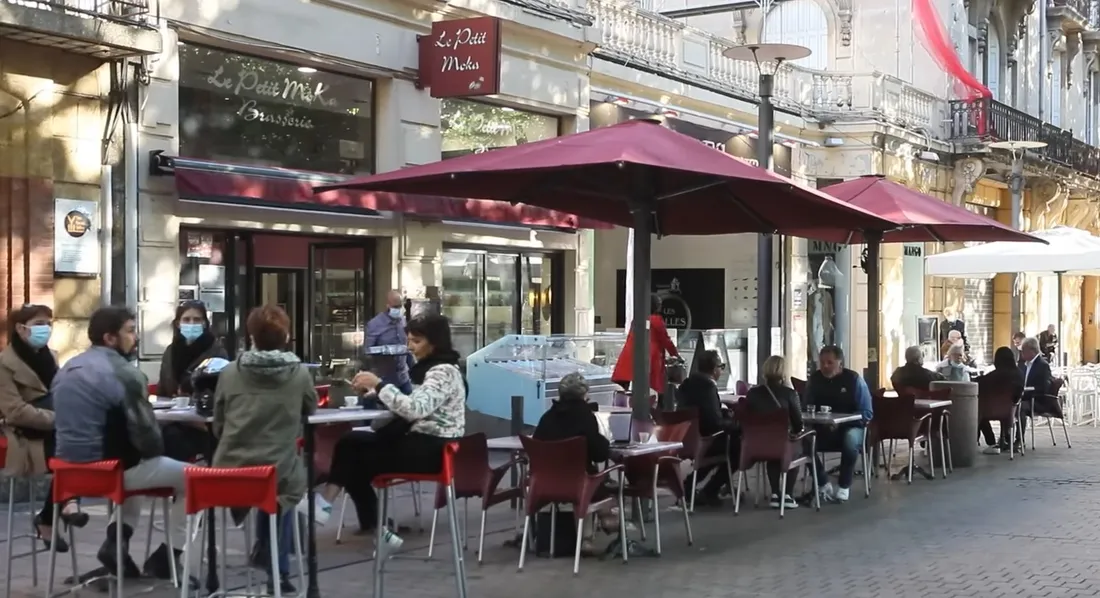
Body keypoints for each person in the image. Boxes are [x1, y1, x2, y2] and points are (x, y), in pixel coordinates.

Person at [305, 313, 466, 553]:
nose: (410, 347)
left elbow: (415, 409)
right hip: (423, 444)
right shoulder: (432, 370)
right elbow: (415, 404)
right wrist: (376, 393)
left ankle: (332, 507)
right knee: (351, 445)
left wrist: (379, 385)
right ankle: (372, 527)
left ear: (434, 343)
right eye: (409, 340)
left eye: (417, 341)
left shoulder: (442, 372)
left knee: (352, 454)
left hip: (431, 449)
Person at [52, 306, 189, 581]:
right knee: (198, 480)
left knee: (135, 467)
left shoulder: (66, 369)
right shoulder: (125, 374)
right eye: (130, 331)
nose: (136, 337)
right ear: (110, 338)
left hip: (68, 473)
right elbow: (149, 440)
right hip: (110, 470)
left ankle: (117, 546)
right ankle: (168, 556)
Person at [213, 305, 317, 594]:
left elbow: (218, 424)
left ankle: (262, 551)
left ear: (251, 336)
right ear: (286, 336)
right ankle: (277, 569)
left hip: (229, 472)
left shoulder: (230, 372)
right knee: (284, 483)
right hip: (277, 470)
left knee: (269, 479)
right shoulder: (299, 374)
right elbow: (310, 407)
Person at [0, 304, 87, 552]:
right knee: (71, 447)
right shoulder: (4, 364)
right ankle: (65, 505)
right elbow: (15, 411)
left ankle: (51, 515)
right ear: (20, 329)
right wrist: (60, 419)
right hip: (25, 435)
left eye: (49, 324)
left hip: (56, 429)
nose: (46, 329)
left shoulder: (51, 357)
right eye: (39, 324)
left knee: (82, 444)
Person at [156, 301, 227, 462]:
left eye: (197, 320)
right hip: (174, 420)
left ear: (205, 323)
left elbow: (220, 392)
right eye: (187, 320)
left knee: (174, 440)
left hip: (203, 425)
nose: (192, 324)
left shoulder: (216, 351)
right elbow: (163, 390)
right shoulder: (171, 352)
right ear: (178, 323)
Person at [802, 345, 873, 503]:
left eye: (830, 362)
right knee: (802, 440)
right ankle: (822, 481)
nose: (825, 366)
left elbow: (867, 412)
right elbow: (806, 407)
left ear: (840, 363)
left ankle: (844, 485)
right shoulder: (815, 380)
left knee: (850, 438)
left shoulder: (854, 380)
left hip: (852, 427)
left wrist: (842, 422)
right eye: (822, 363)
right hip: (822, 427)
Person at [676, 350, 739, 505]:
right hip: (705, 440)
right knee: (738, 447)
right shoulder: (708, 387)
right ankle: (711, 490)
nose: (721, 370)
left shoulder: (687, 384)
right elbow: (714, 423)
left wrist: (722, 413)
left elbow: (701, 410)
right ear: (714, 369)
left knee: (726, 445)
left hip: (686, 438)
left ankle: (690, 486)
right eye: (721, 366)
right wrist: (734, 425)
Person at [742, 355, 803, 510]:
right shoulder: (790, 394)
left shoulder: (752, 393)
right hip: (781, 445)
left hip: (756, 446)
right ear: (784, 372)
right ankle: (787, 494)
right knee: (795, 447)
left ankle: (775, 493)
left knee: (773, 452)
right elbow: (798, 424)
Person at [533, 372, 609, 470]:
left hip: (544, 476)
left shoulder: (547, 417)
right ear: (583, 395)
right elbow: (599, 455)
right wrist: (605, 442)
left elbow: (535, 447)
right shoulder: (586, 417)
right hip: (579, 477)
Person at [611, 294, 680, 395]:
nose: (660, 306)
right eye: (659, 304)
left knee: (626, 391)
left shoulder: (637, 319)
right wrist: (676, 354)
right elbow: (666, 341)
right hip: (649, 360)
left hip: (631, 358)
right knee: (651, 391)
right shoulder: (656, 320)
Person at [364, 290, 413, 402]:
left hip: (402, 377)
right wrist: (385, 350)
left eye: (400, 306)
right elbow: (367, 350)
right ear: (388, 305)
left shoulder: (403, 321)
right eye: (395, 306)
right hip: (383, 378)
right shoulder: (375, 324)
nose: (398, 309)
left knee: (410, 406)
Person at [978, 346, 1025, 455]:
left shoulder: (994, 376)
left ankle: (991, 442)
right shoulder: (1019, 374)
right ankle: (1008, 439)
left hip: (988, 411)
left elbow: (979, 383)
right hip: (1010, 411)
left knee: (977, 412)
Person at [1019, 336, 1055, 438]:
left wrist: (1027, 390)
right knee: (1008, 405)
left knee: (1019, 407)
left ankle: (1019, 439)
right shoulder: (1023, 365)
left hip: (1038, 401)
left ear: (1032, 350)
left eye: (1024, 350)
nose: (1022, 353)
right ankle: (1006, 438)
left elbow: (1044, 387)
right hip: (1024, 398)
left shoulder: (1042, 365)